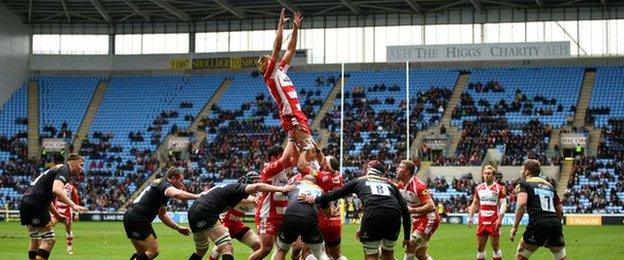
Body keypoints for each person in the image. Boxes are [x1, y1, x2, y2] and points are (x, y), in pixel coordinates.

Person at [299, 160, 411, 260]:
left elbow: (334, 195)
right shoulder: (391, 185)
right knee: (388, 255)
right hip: (394, 217)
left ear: (368, 170)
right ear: (382, 174)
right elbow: (405, 211)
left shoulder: (360, 181)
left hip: (373, 216)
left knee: (371, 255)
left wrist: (314, 199)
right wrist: (406, 237)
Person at [187, 181, 295, 260]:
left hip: (193, 212)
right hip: (208, 212)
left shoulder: (233, 193)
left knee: (201, 250)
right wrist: (281, 189)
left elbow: (249, 198)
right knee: (227, 247)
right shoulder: (237, 189)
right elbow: (257, 187)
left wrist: (253, 199)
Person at [256, 8, 313, 151]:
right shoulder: (270, 74)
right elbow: (277, 49)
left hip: (296, 114)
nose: (270, 58)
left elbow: (290, 50)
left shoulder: (279, 70)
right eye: (268, 60)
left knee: (300, 154)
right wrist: (280, 26)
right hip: (291, 115)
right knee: (310, 150)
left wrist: (295, 28)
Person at [19, 153, 87, 260]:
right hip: (36, 204)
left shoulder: (56, 170)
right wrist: (73, 205)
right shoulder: (65, 170)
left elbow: (47, 200)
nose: (82, 169)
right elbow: (56, 189)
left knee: (35, 239)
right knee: (49, 239)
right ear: (73, 164)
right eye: (81, 165)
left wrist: (58, 215)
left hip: (26, 202)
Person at [123, 167, 199, 260]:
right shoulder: (164, 184)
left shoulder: (159, 184)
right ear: (173, 179)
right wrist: (197, 196)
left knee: (141, 253)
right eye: (181, 181)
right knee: (153, 251)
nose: (182, 184)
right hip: (139, 218)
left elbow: (162, 214)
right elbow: (175, 194)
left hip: (130, 216)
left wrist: (177, 227)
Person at [509, 159, 567, 260]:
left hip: (538, 223)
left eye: (522, 169)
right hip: (555, 223)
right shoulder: (549, 186)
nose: (521, 171)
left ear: (527, 171)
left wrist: (515, 227)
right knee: (560, 257)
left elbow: (522, 204)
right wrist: (554, 225)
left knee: (520, 257)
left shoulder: (524, 184)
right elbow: (560, 211)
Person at [249, 142, 298, 260]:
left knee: (282, 248)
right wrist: (291, 137)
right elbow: (287, 157)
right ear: (273, 158)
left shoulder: (281, 170)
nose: (285, 159)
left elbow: (295, 158)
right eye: (280, 156)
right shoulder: (269, 169)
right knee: (265, 249)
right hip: (267, 215)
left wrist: (297, 143)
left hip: (281, 215)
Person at [272, 175, 330, 260]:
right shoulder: (320, 191)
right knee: (319, 253)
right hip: (309, 220)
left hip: (290, 217)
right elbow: (328, 213)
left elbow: (278, 193)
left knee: (282, 250)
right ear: (314, 183)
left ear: (302, 180)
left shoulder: (293, 184)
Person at [208, 172, 262, 260]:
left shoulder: (256, 196)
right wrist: (253, 199)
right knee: (222, 248)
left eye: (258, 181)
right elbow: (242, 199)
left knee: (258, 245)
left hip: (236, 224)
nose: (257, 184)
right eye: (255, 181)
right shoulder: (240, 190)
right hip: (225, 222)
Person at [395, 160, 440, 260]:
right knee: (420, 254)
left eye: (400, 167)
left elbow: (431, 205)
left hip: (429, 219)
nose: (397, 169)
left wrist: (412, 210)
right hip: (417, 220)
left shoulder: (420, 186)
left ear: (407, 172)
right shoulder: (401, 185)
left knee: (410, 245)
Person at [468, 165, 507, 260]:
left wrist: (500, 219)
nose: (486, 175)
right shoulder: (478, 188)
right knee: (480, 247)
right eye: (485, 173)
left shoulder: (499, 188)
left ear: (493, 176)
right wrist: (470, 217)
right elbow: (475, 203)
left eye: (489, 173)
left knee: (495, 247)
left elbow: (503, 204)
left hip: (494, 221)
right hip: (482, 221)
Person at [52, 181, 80, 255]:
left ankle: (69, 248)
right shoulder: (56, 185)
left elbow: (75, 200)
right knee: (49, 227)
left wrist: (76, 213)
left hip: (67, 212)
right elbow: (51, 198)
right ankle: (45, 245)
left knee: (68, 230)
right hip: (56, 211)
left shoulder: (72, 187)